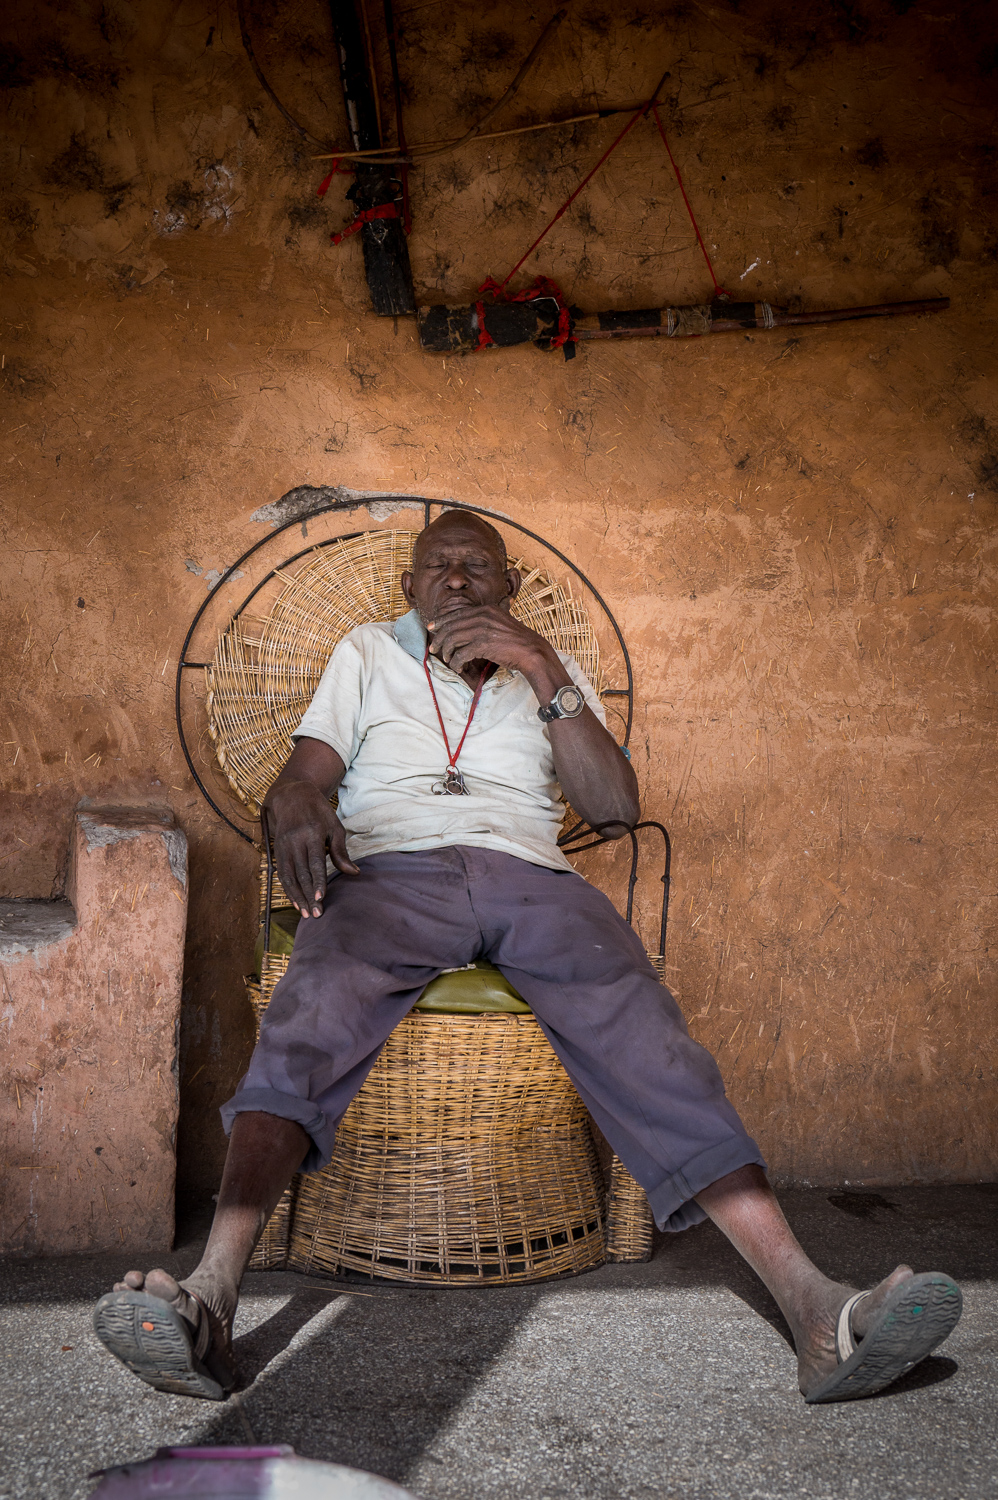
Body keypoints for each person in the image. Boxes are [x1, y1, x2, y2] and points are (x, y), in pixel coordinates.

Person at [94, 510, 961, 1404]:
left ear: (509, 588)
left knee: (647, 1031)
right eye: (439, 566)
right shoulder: (367, 653)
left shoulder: (544, 668)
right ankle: (211, 1301)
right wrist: (296, 796)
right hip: (390, 869)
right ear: (411, 590)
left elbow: (616, 806)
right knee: (310, 1011)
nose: (459, 578)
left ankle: (816, 1309)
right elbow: (308, 772)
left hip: (530, 876)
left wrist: (543, 668)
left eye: (478, 566)